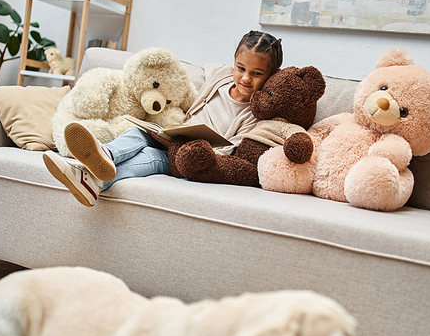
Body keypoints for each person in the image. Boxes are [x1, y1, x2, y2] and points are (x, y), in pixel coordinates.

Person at [43, 31, 283, 206]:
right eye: (240, 68)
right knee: (138, 132)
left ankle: (90, 175)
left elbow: (228, 152)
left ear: (271, 76)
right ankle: (101, 162)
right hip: (172, 135)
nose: (245, 78)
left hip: (189, 157)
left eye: (257, 73)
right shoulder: (220, 77)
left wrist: (186, 147)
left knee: (150, 158)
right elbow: (197, 69)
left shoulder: (254, 114)